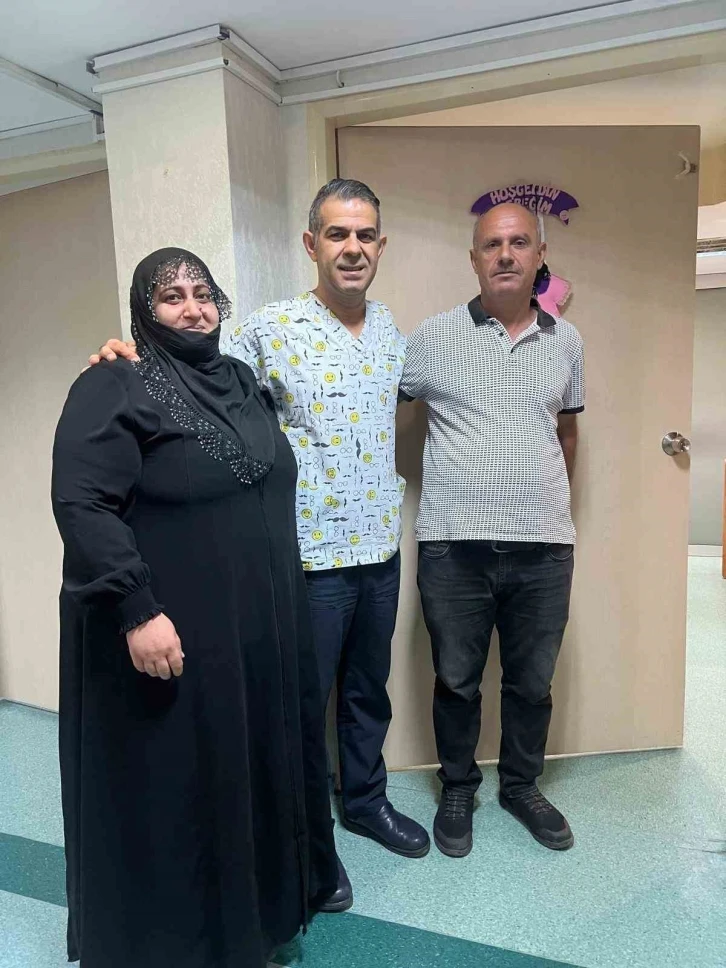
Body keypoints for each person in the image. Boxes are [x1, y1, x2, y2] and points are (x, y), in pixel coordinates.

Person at [88, 180, 430, 910]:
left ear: (380, 246)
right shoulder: (268, 330)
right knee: (299, 708)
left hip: (378, 547)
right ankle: (311, 848)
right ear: (311, 244)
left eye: (365, 235)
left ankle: (365, 801)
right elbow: (190, 368)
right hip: (304, 560)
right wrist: (123, 356)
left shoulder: (392, 331)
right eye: (337, 234)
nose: (352, 248)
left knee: (367, 691)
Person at [52, 248, 338, 968]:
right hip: (176, 637)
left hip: (256, 634)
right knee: (186, 792)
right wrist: (136, 608)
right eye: (170, 296)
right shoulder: (114, 383)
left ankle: (256, 922)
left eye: (202, 292)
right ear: (144, 312)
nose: (192, 307)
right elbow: (82, 503)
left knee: (248, 775)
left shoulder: (240, 380)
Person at [400, 203, 584, 858]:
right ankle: (457, 787)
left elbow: (567, 432)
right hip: (454, 546)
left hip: (544, 548)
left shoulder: (567, 341)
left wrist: (543, 502)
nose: (505, 254)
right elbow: (367, 398)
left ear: (539, 255)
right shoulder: (431, 337)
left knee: (532, 682)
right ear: (474, 258)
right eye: (491, 244)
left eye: (519, 243)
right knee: (456, 679)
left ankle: (521, 786)